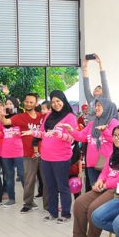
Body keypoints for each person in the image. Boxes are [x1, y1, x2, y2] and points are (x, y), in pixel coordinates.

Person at [70, 124, 119, 237]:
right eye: (114, 135)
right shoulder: (114, 151)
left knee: (94, 207)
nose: (116, 138)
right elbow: (105, 171)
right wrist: (100, 181)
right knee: (80, 202)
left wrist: (106, 184)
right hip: (106, 186)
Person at [33, 90, 77, 223]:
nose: (56, 104)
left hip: (61, 158)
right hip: (46, 157)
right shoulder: (49, 115)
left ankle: (66, 214)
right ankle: (52, 212)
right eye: (53, 102)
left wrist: (60, 135)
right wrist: (32, 132)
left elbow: (72, 139)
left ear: (63, 100)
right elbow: (42, 133)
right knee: (50, 186)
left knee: (62, 186)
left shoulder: (70, 117)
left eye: (58, 101)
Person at [65, 98, 119, 187]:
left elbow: (114, 139)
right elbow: (82, 136)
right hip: (91, 164)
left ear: (106, 107)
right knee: (94, 189)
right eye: (96, 106)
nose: (96, 108)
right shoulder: (92, 124)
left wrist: (104, 130)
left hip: (106, 165)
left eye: (99, 106)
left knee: (105, 191)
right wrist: (71, 130)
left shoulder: (113, 123)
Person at [5, 93, 45, 213]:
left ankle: (49, 206)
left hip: (45, 153)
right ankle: (28, 204)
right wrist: (1, 115)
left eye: (31, 102)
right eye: (27, 101)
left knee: (46, 180)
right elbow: (6, 122)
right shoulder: (20, 117)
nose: (28, 104)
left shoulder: (42, 117)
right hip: (28, 154)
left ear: (36, 104)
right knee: (29, 180)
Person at [82, 53, 111, 122]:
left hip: (104, 126)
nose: (97, 89)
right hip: (92, 126)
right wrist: (85, 67)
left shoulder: (105, 98)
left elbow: (104, 81)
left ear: (103, 92)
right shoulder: (91, 100)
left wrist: (100, 63)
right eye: (95, 88)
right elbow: (86, 84)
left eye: (99, 89)